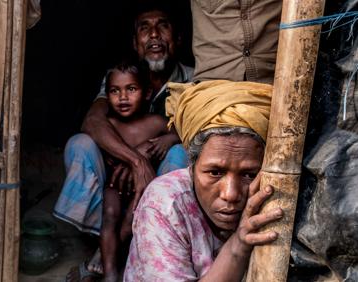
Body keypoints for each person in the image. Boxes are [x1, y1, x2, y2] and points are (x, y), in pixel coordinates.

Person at [54, 2, 193, 281]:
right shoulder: (121, 76)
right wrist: (135, 160)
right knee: (80, 143)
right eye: (145, 28)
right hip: (116, 179)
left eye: (162, 26)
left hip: (154, 180)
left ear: (177, 38)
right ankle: (109, 250)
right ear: (135, 42)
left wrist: (157, 147)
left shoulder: (193, 79)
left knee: (180, 152)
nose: (153, 35)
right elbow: (92, 122)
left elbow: (201, 129)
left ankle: (126, 248)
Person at [124, 80, 284, 281]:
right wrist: (238, 246)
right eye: (215, 173)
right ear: (192, 166)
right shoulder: (164, 205)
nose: (231, 194)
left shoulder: (274, 194)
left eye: (249, 175)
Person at [99, 60, 180, 281]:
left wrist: (168, 139)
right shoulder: (108, 125)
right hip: (116, 187)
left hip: (145, 188)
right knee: (109, 216)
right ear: (107, 96)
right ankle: (109, 273)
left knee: (132, 222)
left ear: (147, 93)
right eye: (115, 91)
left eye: (131, 89)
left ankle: (128, 264)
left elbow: (183, 134)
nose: (122, 97)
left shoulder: (156, 122)